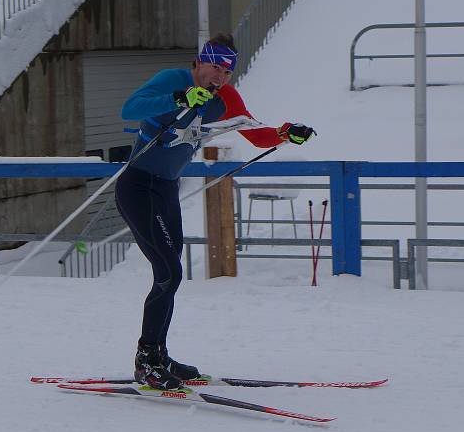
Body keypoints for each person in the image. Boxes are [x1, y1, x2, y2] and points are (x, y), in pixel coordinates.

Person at [116, 33, 316, 391]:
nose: (220, 78)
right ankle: (146, 361)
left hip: (165, 190)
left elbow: (256, 134)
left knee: (170, 273)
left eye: (227, 72)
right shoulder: (173, 80)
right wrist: (179, 98)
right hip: (137, 185)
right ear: (198, 62)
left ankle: (159, 355)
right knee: (168, 272)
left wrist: (287, 133)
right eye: (215, 68)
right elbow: (129, 109)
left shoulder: (225, 97)